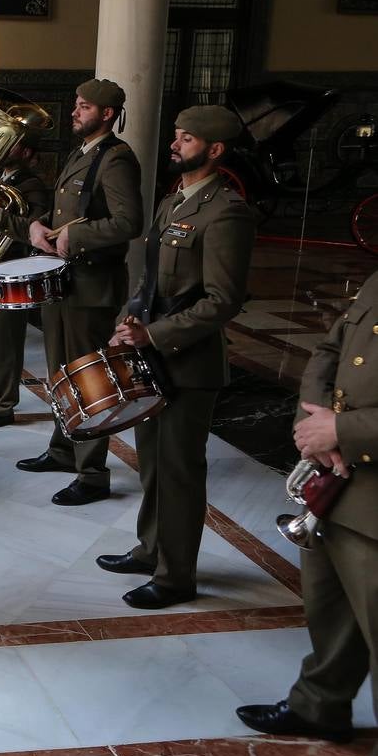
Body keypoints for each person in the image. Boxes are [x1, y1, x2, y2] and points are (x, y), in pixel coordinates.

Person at [97, 105, 254, 607]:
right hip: (152, 353)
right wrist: (128, 319)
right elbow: (148, 281)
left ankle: (175, 576)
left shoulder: (226, 211)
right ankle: (150, 550)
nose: (175, 144)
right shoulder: (172, 204)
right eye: (177, 135)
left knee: (179, 472)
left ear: (214, 150)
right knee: (151, 466)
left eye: (186, 139)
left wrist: (156, 334)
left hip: (188, 364)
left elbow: (222, 300)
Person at [236, 267, 378, 756]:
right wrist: (311, 421)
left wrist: (346, 430)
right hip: (336, 488)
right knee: (330, 610)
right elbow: (329, 349)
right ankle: (320, 704)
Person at [5, 78, 143, 506]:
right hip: (65, 283)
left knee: (88, 378)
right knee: (61, 373)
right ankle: (64, 449)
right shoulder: (81, 153)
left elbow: (128, 223)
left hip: (92, 287)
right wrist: (38, 225)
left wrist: (77, 237)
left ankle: (92, 472)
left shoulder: (116, 159)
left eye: (84, 107)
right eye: (77, 105)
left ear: (106, 113)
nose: (75, 112)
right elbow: (69, 211)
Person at [0, 135, 52, 428]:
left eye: (15, 143)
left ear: (27, 151)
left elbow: (34, 231)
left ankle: (3, 405)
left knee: (5, 343)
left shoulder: (31, 186)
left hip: (9, 270)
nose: (6, 148)